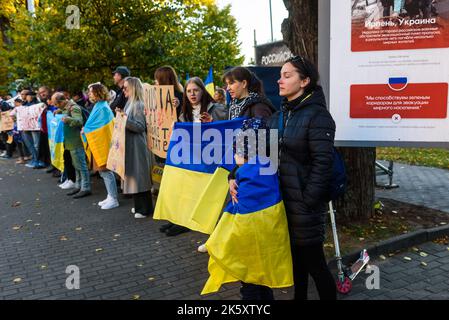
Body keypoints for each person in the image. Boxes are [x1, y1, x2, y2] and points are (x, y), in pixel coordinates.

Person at [265, 56, 337, 300]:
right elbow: (260, 152)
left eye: (288, 75)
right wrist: (235, 175)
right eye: (280, 75)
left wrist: (308, 200)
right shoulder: (280, 115)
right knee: (296, 263)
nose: (280, 80)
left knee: (315, 264)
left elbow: (322, 164)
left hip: (305, 206)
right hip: (282, 202)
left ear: (304, 81)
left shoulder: (318, 116)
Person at [117, 77, 153, 219]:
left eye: (126, 87)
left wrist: (124, 118)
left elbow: (139, 126)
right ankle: (139, 206)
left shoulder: (138, 104)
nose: (123, 90)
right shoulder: (130, 103)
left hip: (137, 146)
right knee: (134, 176)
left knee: (140, 176)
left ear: (133, 88)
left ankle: (145, 209)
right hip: (131, 145)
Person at [52, 92, 92, 199]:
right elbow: (66, 112)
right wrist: (60, 111)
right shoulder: (66, 107)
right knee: (76, 165)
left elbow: (79, 121)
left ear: (62, 101)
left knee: (81, 166)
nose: (56, 106)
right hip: (71, 141)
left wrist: (68, 119)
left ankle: (85, 187)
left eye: (56, 104)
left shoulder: (73, 108)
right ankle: (78, 185)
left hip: (76, 141)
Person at [86, 83, 119, 210]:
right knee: (103, 172)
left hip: (102, 143)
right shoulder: (99, 106)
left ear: (97, 92)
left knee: (106, 171)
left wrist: (87, 129)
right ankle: (110, 196)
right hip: (98, 142)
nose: (89, 94)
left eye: (91, 91)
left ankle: (113, 198)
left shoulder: (103, 108)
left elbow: (105, 128)